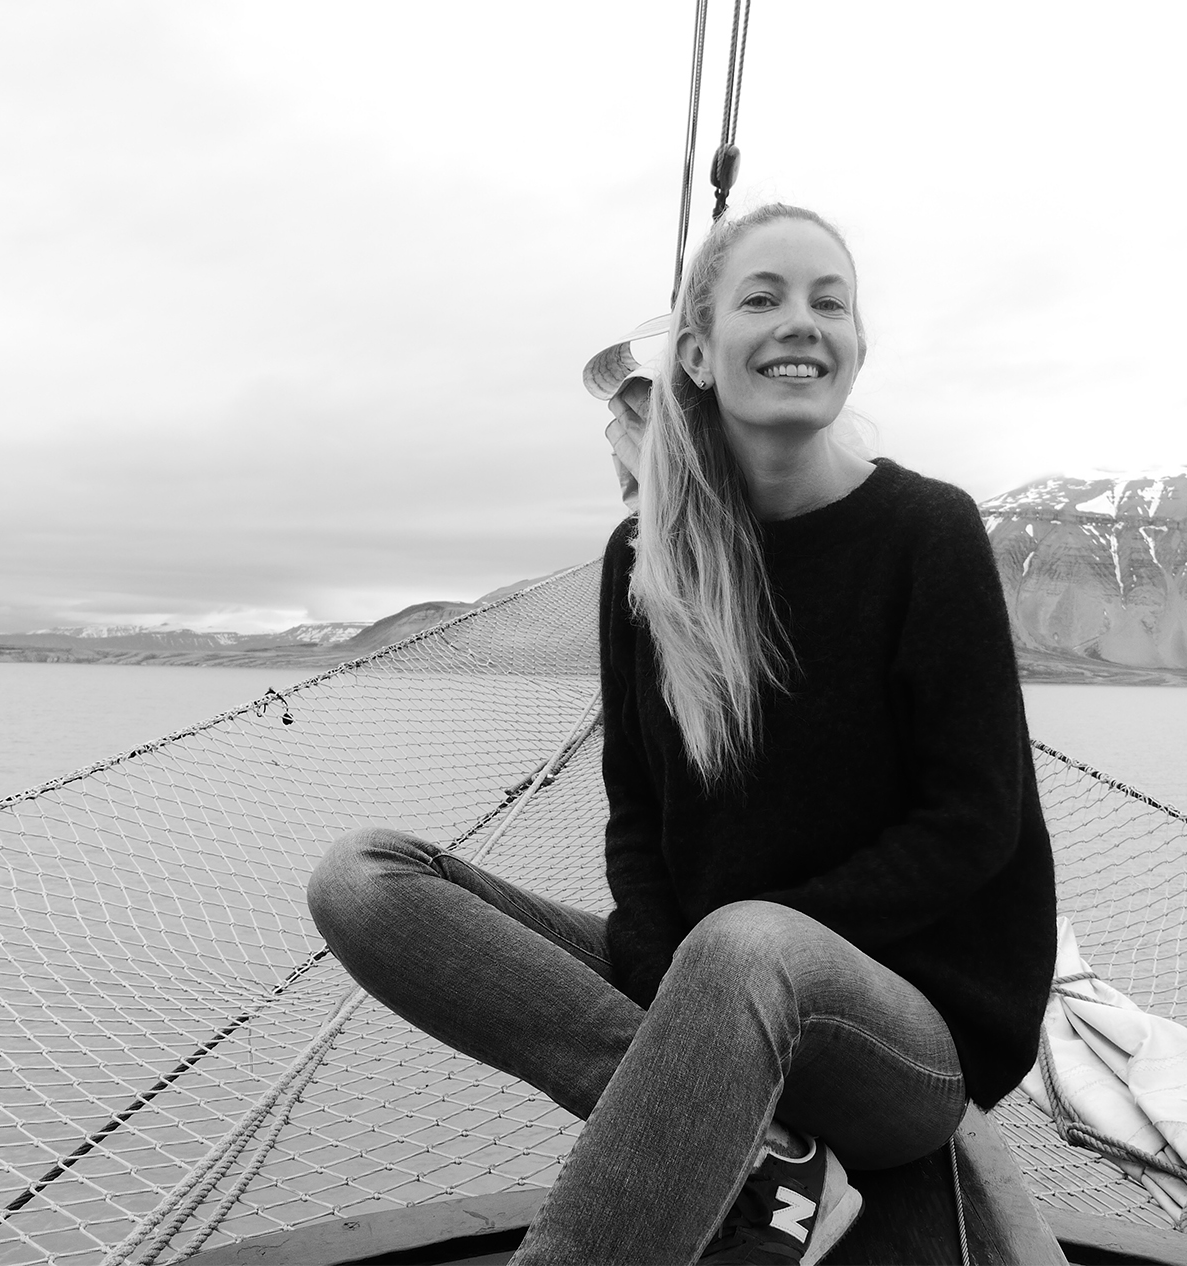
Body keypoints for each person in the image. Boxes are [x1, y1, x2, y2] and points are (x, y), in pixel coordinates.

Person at [307, 202, 1060, 1265]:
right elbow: (639, 819)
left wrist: (736, 949)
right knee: (361, 879)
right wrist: (676, 980)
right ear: (698, 355)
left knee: (746, 943)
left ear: (856, 347)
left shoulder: (927, 532)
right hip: (719, 986)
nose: (802, 321)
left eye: (828, 302)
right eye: (764, 298)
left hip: (905, 1035)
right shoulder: (642, 563)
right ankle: (765, 1166)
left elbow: (974, 823)